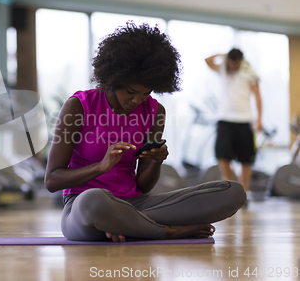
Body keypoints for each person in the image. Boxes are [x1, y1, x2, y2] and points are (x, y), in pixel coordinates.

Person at [45, 22, 247, 242]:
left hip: (134, 204)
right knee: (94, 200)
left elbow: (142, 187)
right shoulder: (78, 106)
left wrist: (156, 161)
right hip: (82, 207)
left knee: (232, 192)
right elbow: (52, 180)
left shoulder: (155, 112)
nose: (136, 101)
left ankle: (126, 224)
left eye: (145, 94)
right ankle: (167, 231)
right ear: (114, 78)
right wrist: (102, 166)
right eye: (131, 92)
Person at [205, 49, 262, 194]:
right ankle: (231, 190)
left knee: (246, 160)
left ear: (240, 61)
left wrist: (259, 118)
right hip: (225, 119)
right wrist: (222, 54)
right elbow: (207, 60)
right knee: (222, 156)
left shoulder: (248, 70)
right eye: (231, 63)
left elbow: (257, 95)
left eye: (236, 64)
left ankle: (244, 193)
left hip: (244, 120)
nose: (233, 67)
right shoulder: (223, 68)